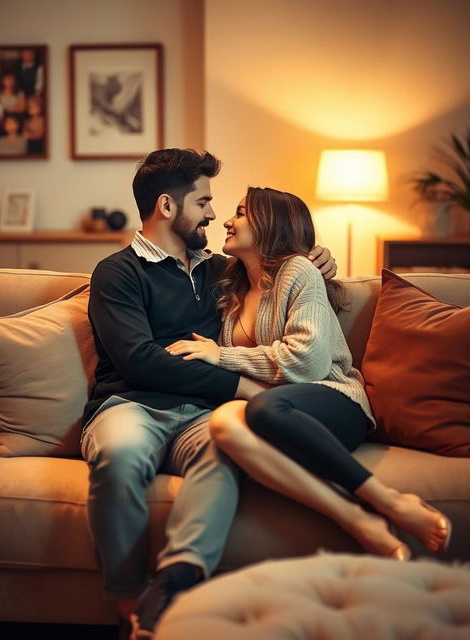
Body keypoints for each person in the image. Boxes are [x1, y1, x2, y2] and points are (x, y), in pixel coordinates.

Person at [81, 149, 336, 639]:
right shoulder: (117, 273)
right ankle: (130, 604)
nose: (214, 214)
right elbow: (140, 360)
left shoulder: (223, 270)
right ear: (168, 207)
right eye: (204, 201)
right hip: (131, 407)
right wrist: (238, 384)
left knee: (227, 453)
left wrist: (318, 258)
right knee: (119, 453)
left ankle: (176, 584)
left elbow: (280, 275)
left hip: (203, 415)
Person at [167, 186, 453, 565]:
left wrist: (222, 355)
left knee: (265, 411)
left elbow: (308, 363)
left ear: (270, 222)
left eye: (239, 212)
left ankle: (390, 500)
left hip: (332, 402)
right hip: (268, 406)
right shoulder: (232, 288)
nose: (226, 221)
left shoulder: (296, 270)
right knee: (222, 425)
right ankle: (354, 518)